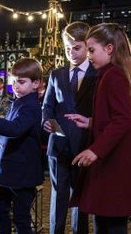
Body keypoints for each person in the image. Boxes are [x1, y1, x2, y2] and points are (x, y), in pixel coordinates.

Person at [66, 23, 131, 233]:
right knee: (106, 218)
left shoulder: (113, 75)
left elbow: (123, 120)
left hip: (115, 160)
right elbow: (116, 117)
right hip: (113, 158)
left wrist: (94, 150)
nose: (89, 55)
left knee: (111, 221)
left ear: (109, 48)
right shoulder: (110, 73)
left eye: (91, 50)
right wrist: (90, 121)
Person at [42, 21, 97, 234]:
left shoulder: (97, 73)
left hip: (84, 144)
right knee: (58, 195)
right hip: (59, 144)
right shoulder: (57, 75)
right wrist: (46, 120)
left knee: (80, 196)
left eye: (76, 48)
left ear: (87, 46)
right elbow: (48, 105)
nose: (71, 53)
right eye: (67, 48)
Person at [0, 58, 44, 234]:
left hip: (22, 174)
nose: (15, 86)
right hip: (10, 170)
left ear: (36, 83)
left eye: (21, 82)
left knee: (21, 217)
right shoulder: (19, 102)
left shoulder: (31, 107)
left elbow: (15, 129)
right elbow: (17, 136)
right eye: (13, 81)